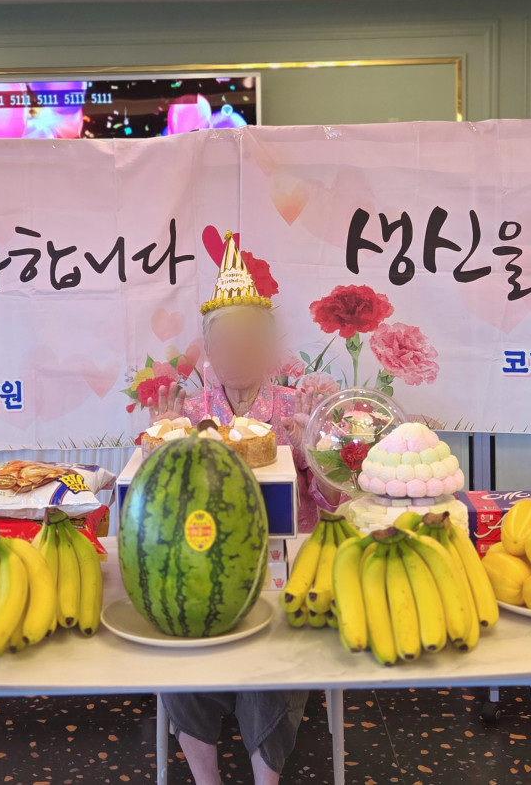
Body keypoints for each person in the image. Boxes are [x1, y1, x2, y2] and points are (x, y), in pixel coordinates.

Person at [148, 232, 342, 785]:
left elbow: (334, 504)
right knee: (179, 639)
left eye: (249, 339)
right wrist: (158, 447)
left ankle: (266, 777)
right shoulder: (187, 414)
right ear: (208, 350)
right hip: (201, 561)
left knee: (276, 649)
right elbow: (157, 506)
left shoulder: (298, 407)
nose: (237, 351)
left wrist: (314, 452)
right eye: (225, 340)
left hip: (286, 561)